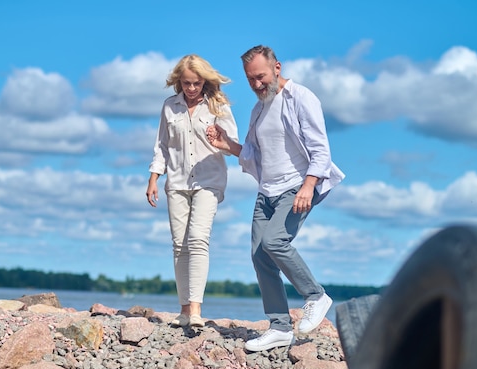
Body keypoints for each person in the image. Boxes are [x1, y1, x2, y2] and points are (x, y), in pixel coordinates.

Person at [207, 45, 345, 351]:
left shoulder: (300, 98)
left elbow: (321, 149)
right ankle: (280, 326)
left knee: (274, 242)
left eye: (261, 76)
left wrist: (308, 186)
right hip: (266, 191)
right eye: (250, 79)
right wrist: (226, 144)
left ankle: (315, 295)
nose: (257, 84)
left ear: (277, 68)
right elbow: (254, 155)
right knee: (260, 255)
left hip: (296, 186)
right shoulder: (258, 110)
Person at [147, 54, 239, 328]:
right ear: (179, 82)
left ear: (204, 81)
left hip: (208, 181)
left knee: (198, 239)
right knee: (179, 245)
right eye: (186, 83)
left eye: (196, 83)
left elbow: (233, 144)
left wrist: (220, 140)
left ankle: (196, 310)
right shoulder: (169, 107)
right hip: (175, 182)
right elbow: (161, 146)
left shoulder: (217, 105)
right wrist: (153, 178)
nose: (191, 89)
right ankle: (184, 309)